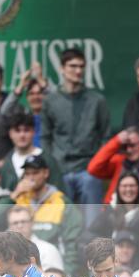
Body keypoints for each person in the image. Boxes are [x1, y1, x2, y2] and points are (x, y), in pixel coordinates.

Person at [42, 48, 110, 217]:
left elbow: (106, 136)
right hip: (60, 170)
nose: (78, 71)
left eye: (81, 66)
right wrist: (51, 165)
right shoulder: (51, 101)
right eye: (73, 66)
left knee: (92, 226)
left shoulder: (97, 100)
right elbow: (45, 137)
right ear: (62, 69)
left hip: (89, 169)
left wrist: (96, 165)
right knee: (62, 222)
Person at [12, 154, 82, 277]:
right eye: (27, 174)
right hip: (20, 267)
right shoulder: (19, 198)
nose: (31, 178)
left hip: (52, 267)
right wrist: (14, 195)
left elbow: (72, 245)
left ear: (45, 173)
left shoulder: (61, 202)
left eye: (35, 173)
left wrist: (68, 276)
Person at [87, 127, 139, 204]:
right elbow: (93, 168)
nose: (129, 150)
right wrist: (116, 141)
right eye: (125, 146)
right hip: (115, 211)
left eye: (132, 145)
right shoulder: (120, 161)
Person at [0, 113, 63, 195]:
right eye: (17, 130)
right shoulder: (5, 164)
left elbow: (59, 195)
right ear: (10, 134)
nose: (22, 135)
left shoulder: (48, 160)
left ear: (33, 132)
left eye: (26, 130)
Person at [6, 205, 64, 277]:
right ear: (9, 227)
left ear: (32, 223)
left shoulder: (48, 249)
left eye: (23, 222)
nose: (20, 226)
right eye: (15, 223)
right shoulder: (4, 253)